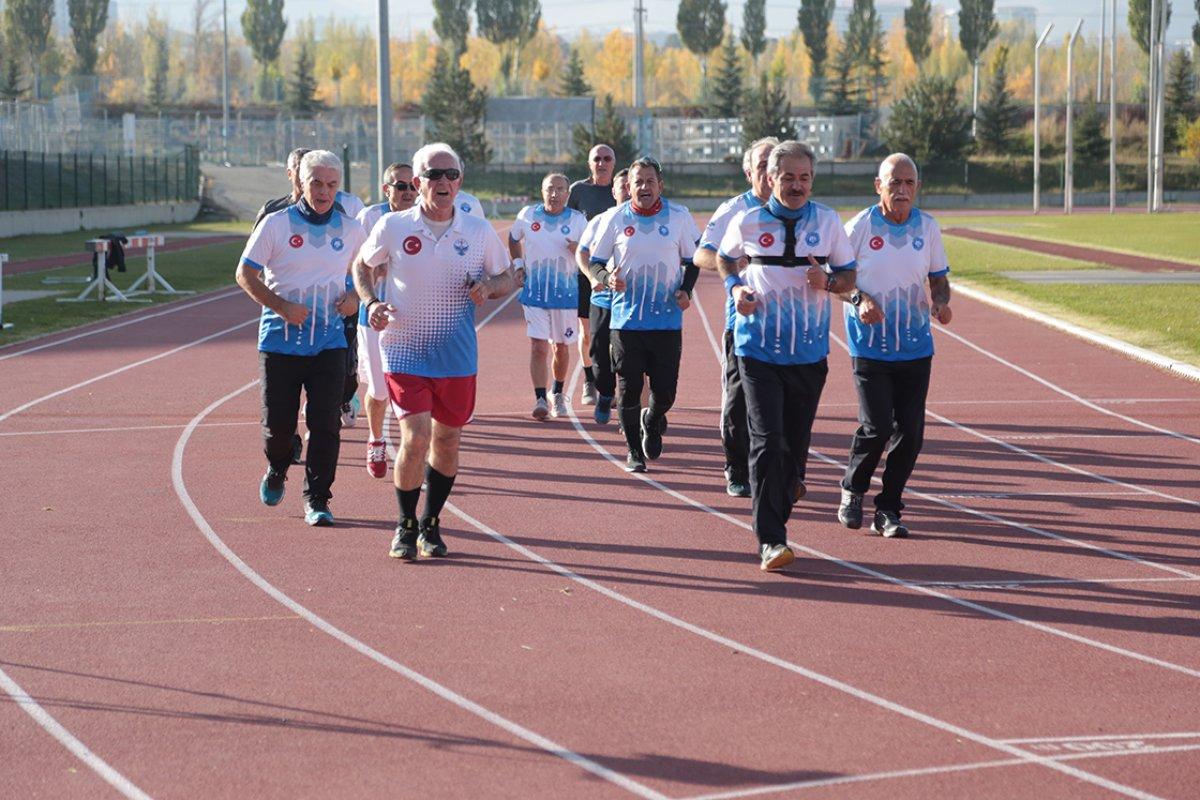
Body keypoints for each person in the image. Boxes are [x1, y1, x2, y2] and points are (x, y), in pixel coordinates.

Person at [353, 142, 515, 560]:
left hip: (457, 353)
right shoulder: (394, 226)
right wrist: (371, 303)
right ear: (418, 182)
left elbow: (507, 276)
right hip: (405, 348)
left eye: (451, 175)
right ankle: (405, 525)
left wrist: (489, 288)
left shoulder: (477, 231)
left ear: (460, 181)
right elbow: (362, 265)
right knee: (416, 434)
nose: (442, 182)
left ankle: (431, 522)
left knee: (446, 440)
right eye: (433, 175)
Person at [717, 140, 857, 571]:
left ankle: (791, 482)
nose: (797, 185)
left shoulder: (829, 222)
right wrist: (736, 288)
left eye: (805, 177)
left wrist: (828, 282)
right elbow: (725, 260)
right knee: (766, 442)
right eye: (789, 177)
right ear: (771, 178)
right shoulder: (748, 220)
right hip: (757, 348)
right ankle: (771, 541)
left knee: (794, 451)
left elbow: (849, 277)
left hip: (808, 353)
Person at [235, 150, 367, 526]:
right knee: (278, 427)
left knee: (325, 423)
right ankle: (278, 467)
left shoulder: (351, 229)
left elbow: (368, 272)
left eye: (332, 184)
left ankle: (318, 499)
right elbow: (245, 274)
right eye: (317, 183)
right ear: (301, 183)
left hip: (329, 342)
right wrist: (281, 307)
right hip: (280, 341)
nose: (324, 191)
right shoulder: (276, 225)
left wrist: (356, 298)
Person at [835, 153, 952, 538]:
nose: (902, 191)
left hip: (916, 345)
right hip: (870, 345)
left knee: (912, 433)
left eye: (909, 184)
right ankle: (853, 488)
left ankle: (888, 509)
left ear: (917, 188)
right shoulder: (860, 227)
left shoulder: (928, 227)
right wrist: (859, 300)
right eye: (894, 183)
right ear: (878, 186)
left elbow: (938, 277)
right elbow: (836, 281)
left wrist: (940, 301)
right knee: (878, 425)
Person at [588, 157, 700, 474]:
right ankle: (634, 451)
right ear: (630, 187)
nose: (644, 187)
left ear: (660, 185)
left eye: (650, 181)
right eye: (638, 182)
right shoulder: (615, 218)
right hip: (626, 322)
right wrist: (606, 277)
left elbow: (694, 260)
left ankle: (652, 418)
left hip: (666, 321)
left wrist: (686, 290)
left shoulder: (679, 217)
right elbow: (596, 261)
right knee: (628, 387)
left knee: (665, 392)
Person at [694, 137, 778, 498]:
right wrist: (735, 264)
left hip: (788, 322)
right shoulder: (733, 210)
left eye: (773, 164)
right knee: (738, 399)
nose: (768, 172)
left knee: (784, 403)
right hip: (742, 321)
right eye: (761, 165)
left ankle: (782, 468)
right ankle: (736, 467)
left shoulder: (797, 210)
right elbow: (701, 256)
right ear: (749, 172)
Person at [354, 162, 418, 477]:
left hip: (414, 320)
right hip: (375, 319)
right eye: (400, 186)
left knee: (413, 393)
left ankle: (413, 456)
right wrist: (373, 274)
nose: (408, 192)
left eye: (412, 186)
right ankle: (376, 439)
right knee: (380, 391)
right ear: (386, 189)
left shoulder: (423, 217)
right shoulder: (368, 218)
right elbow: (355, 264)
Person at [510, 173, 588, 420]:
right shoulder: (527, 215)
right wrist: (519, 265)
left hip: (565, 295)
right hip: (535, 293)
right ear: (542, 191)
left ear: (567, 193)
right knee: (538, 346)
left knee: (561, 348)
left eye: (560, 189)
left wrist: (578, 250)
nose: (554, 194)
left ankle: (558, 391)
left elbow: (590, 252)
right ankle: (541, 397)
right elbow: (513, 239)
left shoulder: (578, 220)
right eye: (549, 189)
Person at [575, 168, 631, 425]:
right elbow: (582, 253)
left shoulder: (651, 221)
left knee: (631, 355)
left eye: (634, 184)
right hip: (603, 297)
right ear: (614, 192)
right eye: (624, 186)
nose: (630, 190)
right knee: (598, 351)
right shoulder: (601, 220)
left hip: (633, 301)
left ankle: (633, 410)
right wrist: (593, 277)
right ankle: (606, 393)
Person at [567, 144, 618, 407]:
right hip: (585, 272)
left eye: (607, 158)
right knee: (587, 332)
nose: (602, 162)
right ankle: (590, 380)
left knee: (616, 331)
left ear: (614, 162)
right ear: (589, 163)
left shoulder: (621, 190)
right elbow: (566, 223)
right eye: (597, 158)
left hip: (616, 271)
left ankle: (614, 381)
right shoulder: (578, 191)